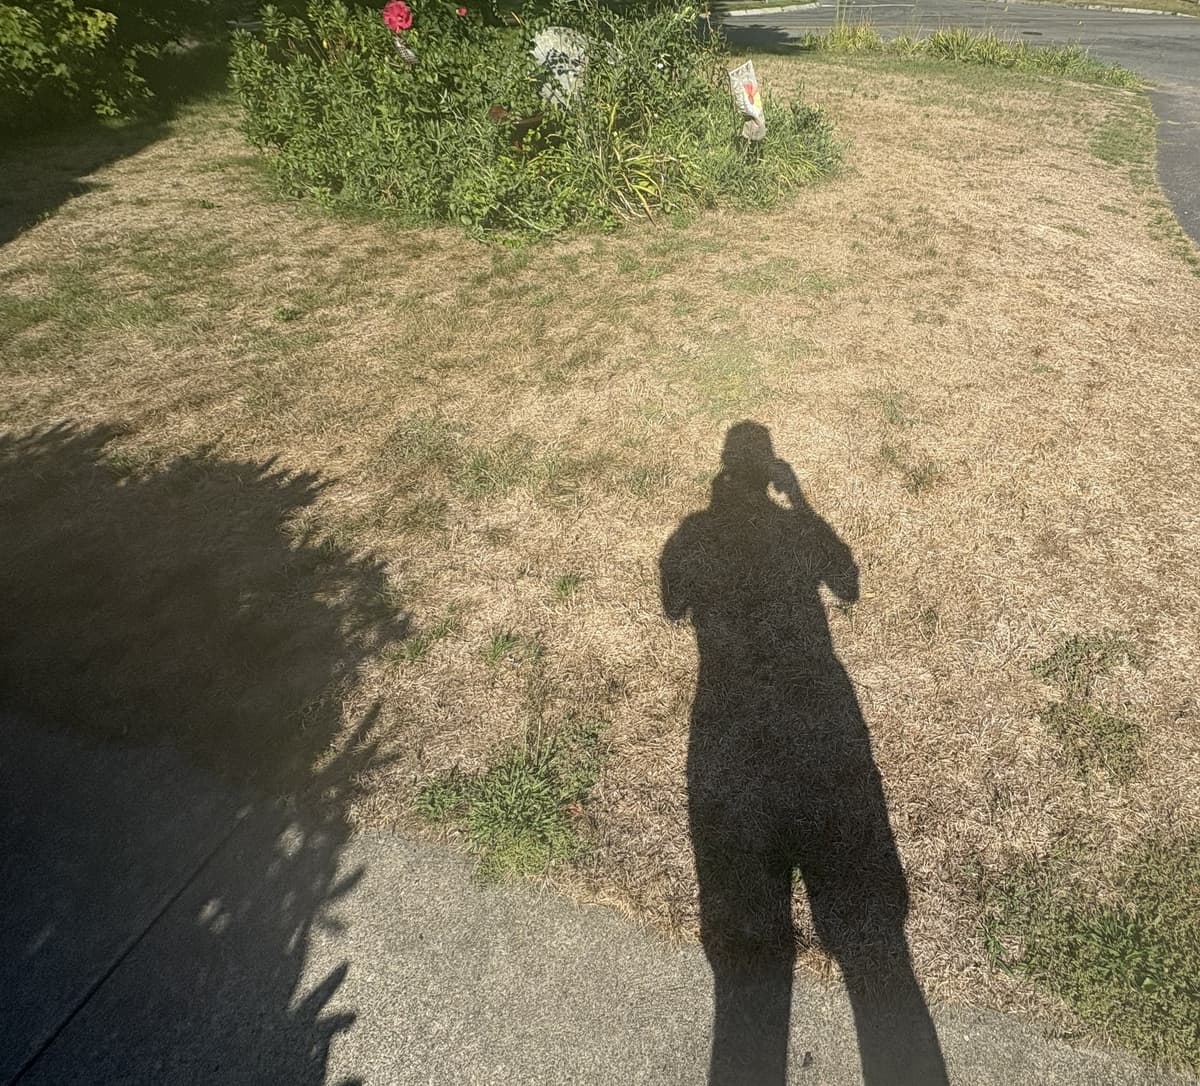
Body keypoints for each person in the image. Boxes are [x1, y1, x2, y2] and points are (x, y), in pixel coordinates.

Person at [660, 421, 946, 1085]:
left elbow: (673, 604)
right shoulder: (791, 528)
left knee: (746, 968)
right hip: (819, 714)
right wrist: (800, 501)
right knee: (877, 958)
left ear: (725, 473)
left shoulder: (691, 534)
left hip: (728, 730)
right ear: (770, 474)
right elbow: (846, 582)